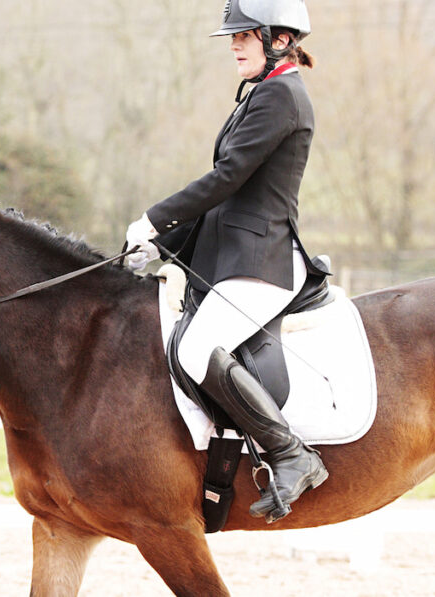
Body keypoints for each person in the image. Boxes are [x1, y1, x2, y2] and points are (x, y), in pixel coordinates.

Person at [125, 0, 328, 523]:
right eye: (233, 37)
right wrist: (163, 245)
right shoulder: (263, 92)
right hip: (236, 253)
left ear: (277, 37)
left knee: (196, 349)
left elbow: (226, 179)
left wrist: (153, 219)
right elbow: (225, 197)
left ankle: (290, 454)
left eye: (243, 36)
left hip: (263, 259)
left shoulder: (281, 96)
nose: (234, 45)